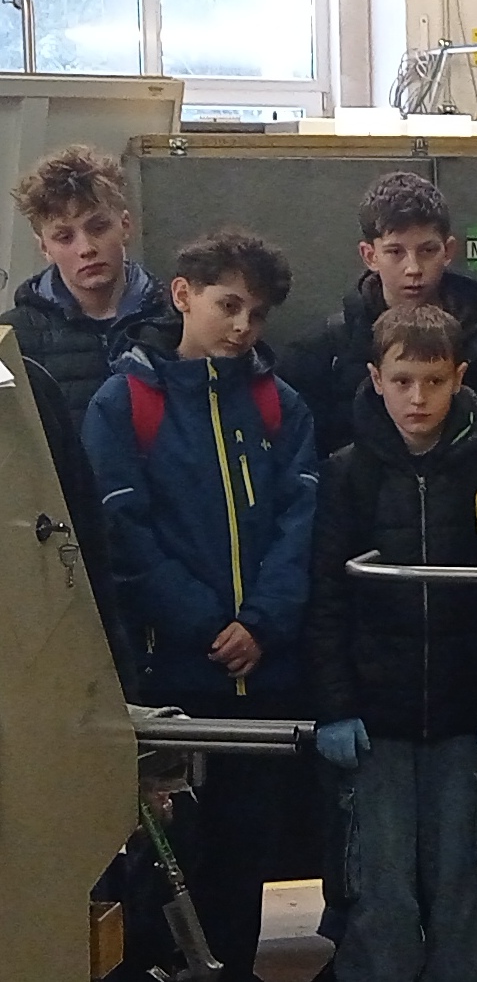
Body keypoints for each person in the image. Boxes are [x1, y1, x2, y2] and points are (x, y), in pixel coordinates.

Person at [81, 228, 318, 982]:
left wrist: (261, 623)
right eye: (228, 305)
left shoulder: (281, 406)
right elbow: (122, 533)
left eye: (258, 313)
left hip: (262, 682)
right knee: (165, 864)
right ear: (183, 295)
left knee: (244, 864)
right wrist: (208, 624)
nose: (243, 326)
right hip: (173, 685)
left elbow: (300, 526)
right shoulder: (125, 404)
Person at [307, 304, 477, 982]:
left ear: (460, 377)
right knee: (379, 878)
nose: (418, 398)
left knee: (467, 874)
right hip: (376, 720)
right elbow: (326, 599)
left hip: (466, 714)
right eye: (402, 381)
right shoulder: (347, 474)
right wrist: (336, 705)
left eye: (434, 381)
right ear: (376, 379)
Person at [282, 170, 477, 455]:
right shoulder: (323, 354)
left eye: (427, 251)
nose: (413, 268)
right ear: (370, 255)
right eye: (395, 252)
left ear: (448, 251)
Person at [2, 145, 168, 430]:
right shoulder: (14, 341)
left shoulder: (175, 321)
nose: (86, 248)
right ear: (45, 247)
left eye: (99, 227)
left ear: (125, 225)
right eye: (64, 237)